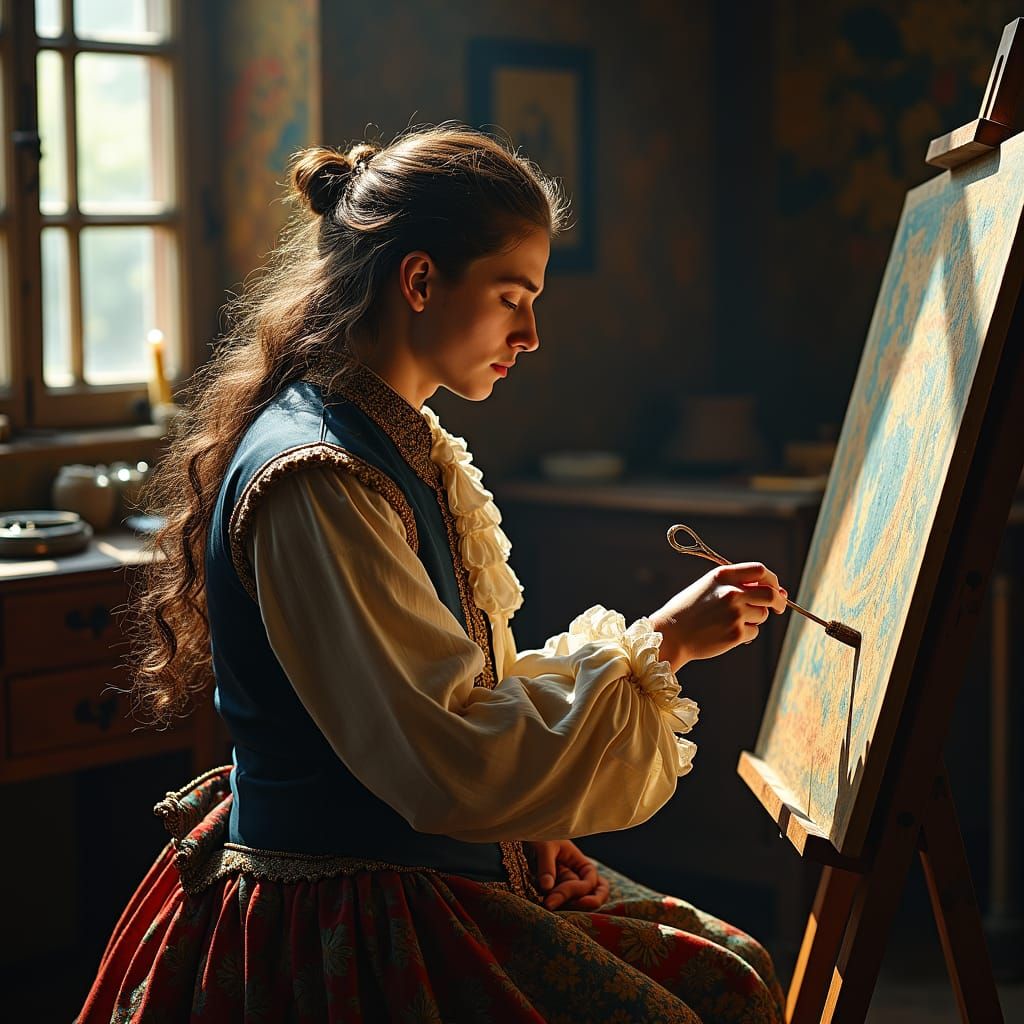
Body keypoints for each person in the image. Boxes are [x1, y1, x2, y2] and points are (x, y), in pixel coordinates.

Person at [79, 124, 790, 1023]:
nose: (530, 333)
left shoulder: (398, 437)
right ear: (419, 281)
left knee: (737, 965)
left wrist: (528, 817)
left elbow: (454, 697)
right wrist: (665, 643)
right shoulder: (322, 478)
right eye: (511, 296)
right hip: (352, 896)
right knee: (714, 998)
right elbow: (445, 758)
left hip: (430, 852)